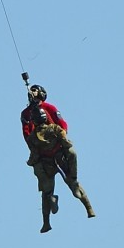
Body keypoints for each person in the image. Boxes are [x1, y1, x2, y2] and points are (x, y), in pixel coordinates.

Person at [20, 84, 95, 233]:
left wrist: (60, 137)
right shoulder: (26, 114)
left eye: (35, 90)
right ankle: (46, 222)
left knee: (73, 181)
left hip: (58, 152)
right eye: (31, 90)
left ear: (41, 93)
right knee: (46, 191)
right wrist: (36, 146)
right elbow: (26, 133)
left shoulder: (50, 107)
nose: (31, 92)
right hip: (42, 156)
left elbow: (62, 123)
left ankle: (89, 207)